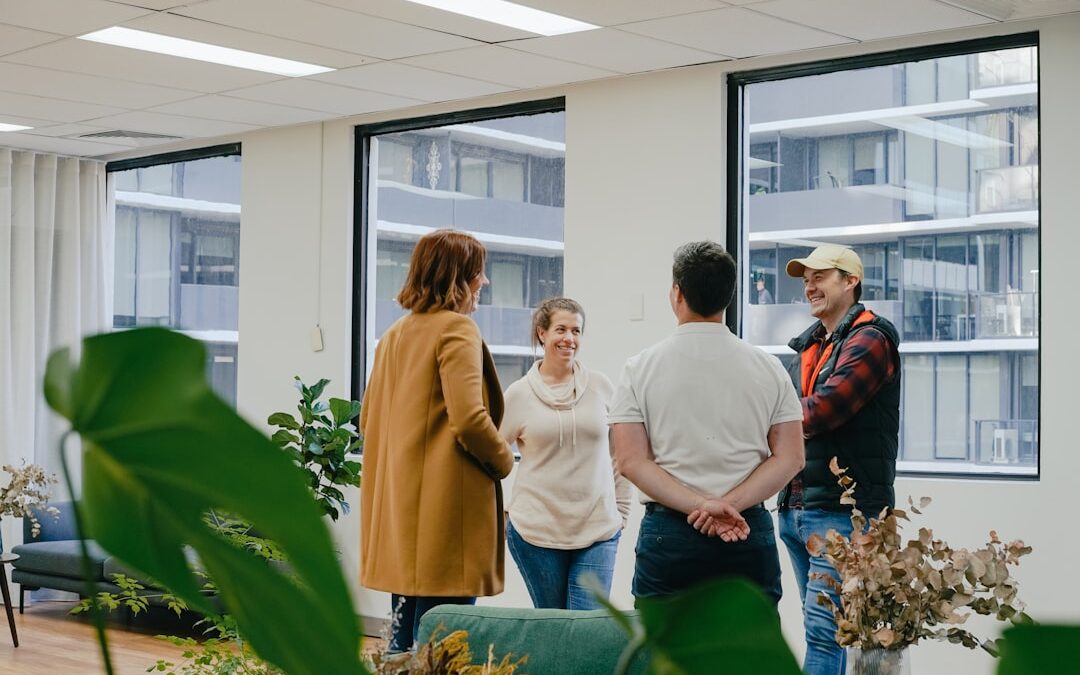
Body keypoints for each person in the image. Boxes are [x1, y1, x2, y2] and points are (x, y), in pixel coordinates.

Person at [610, 240, 805, 603]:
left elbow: (631, 461)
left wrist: (700, 507)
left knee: (663, 657)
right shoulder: (769, 368)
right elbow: (791, 457)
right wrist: (727, 506)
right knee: (746, 658)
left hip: (669, 535)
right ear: (728, 296)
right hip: (746, 529)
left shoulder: (639, 368)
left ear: (676, 293)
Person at [359, 229, 515, 654]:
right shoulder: (456, 330)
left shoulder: (393, 337)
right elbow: (468, 419)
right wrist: (505, 461)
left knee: (403, 648)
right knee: (443, 649)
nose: (483, 282)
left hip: (402, 520)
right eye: (478, 273)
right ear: (459, 276)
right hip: (446, 520)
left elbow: (368, 421)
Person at [776, 244, 901, 675]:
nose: (809, 286)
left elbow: (825, 410)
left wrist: (768, 420)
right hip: (796, 507)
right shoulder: (809, 346)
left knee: (824, 633)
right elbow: (789, 416)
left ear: (851, 282)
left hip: (842, 514)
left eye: (821, 276)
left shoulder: (871, 338)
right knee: (825, 630)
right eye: (805, 279)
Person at [499, 297, 632, 610]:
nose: (569, 339)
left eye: (576, 331)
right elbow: (493, 457)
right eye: (561, 329)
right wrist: (507, 511)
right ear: (542, 333)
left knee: (585, 629)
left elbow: (620, 454)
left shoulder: (601, 386)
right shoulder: (519, 394)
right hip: (536, 532)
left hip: (598, 528)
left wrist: (621, 512)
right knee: (554, 629)